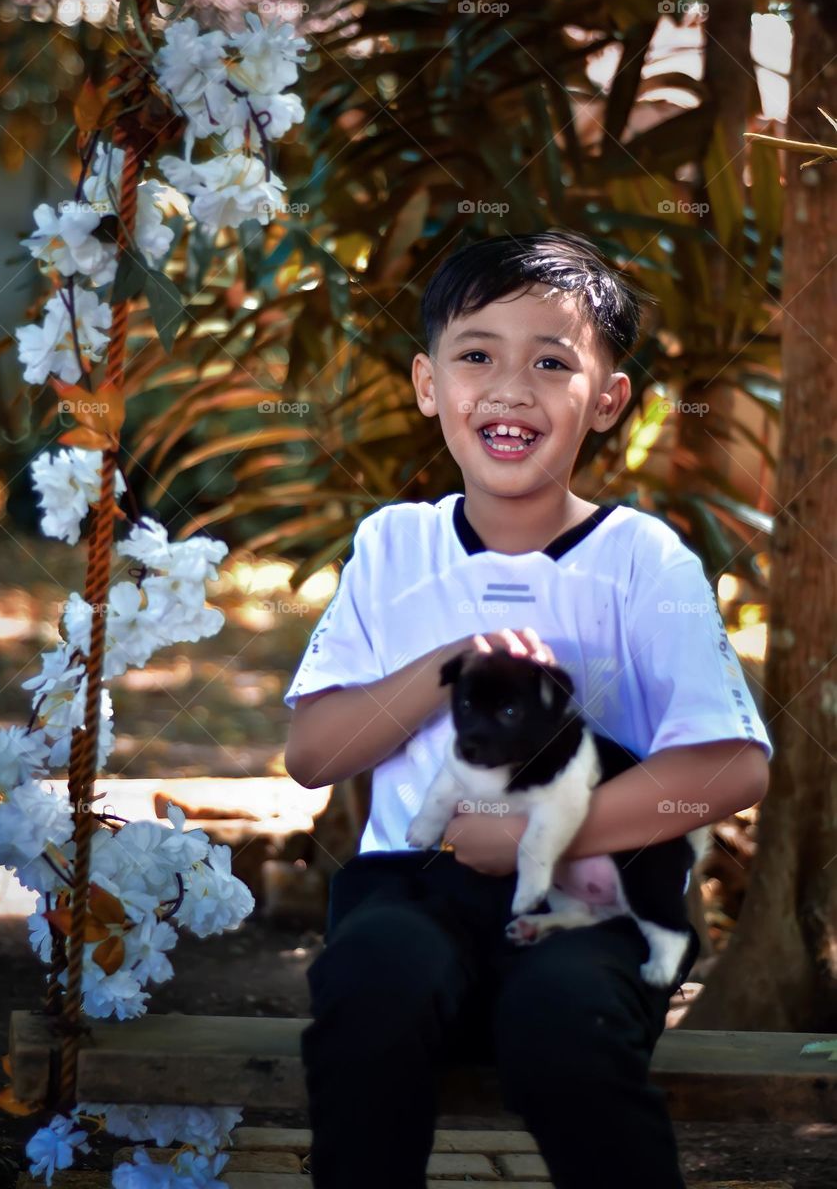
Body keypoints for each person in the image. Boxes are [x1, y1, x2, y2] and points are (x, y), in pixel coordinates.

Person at [282, 230, 773, 1189]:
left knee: (565, 1031)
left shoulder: (643, 561)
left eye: (551, 363)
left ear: (606, 401)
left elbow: (731, 769)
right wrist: (451, 663)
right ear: (429, 384)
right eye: (477, 356)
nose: (509, 389)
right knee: (369, 997)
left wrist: (544, 833)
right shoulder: (393, 548)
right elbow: (311, 754)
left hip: (590, 910)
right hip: (411, 891)